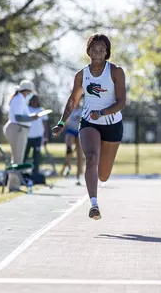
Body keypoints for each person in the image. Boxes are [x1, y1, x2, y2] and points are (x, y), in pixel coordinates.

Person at [52, 33, 127, 220]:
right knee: (91, 158)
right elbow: (73, 101)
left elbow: (121, 102)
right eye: (94, 49)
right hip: (89, 122)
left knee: (103, 175)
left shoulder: (116, 71)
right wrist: (61, 123)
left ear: (107, 52)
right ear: (88, 51)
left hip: (112, 124)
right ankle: (94, 204)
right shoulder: (81, 75)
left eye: (101, 50)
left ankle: (97, 188)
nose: (97, 53)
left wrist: (102, 113)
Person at [3, 80, 42, 191]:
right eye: (29, 92)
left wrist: (31, 117)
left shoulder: (20, 99)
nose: (30, 94)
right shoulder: (19, 99)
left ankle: (13, 185)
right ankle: (14, 186)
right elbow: (19, 118)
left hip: (17, 129)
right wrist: (32, 118)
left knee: (16, 158)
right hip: (17, 129)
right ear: (27, 90)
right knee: (18, 159)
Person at [61, 106, 84, 185]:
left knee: (79, 154)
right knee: (68, 148)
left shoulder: (82, 109)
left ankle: (78, 177)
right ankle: (68, 166)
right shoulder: (69, 109)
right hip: (70, 130)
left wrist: (80, 120)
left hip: (80, 131)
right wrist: (60, 128)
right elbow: (64, 121)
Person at [25, 95, 48, 175]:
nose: (34, 102)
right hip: (27, 137)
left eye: (36, 100)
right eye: (33, 100)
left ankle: (35, 173)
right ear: (30, 101)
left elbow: (45, 125)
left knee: (36, 156)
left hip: (38, 137)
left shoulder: (41, 110)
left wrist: (45, 137)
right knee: (24, 155)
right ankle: (22, 172)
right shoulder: (27, 109)